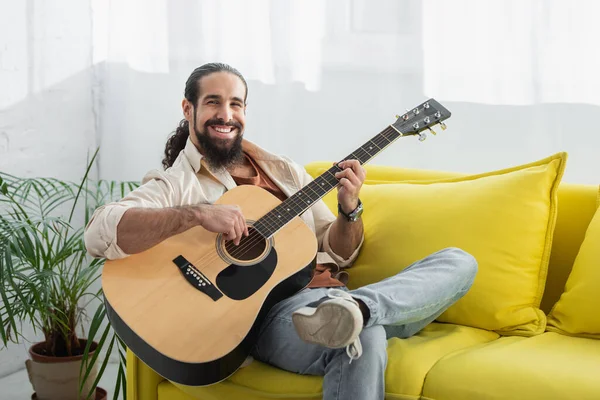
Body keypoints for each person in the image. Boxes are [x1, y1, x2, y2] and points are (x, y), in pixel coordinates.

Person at [84, 62, 477, 400]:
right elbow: (100, 232)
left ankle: (357, 309)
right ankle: (355, 315)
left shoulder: (284, 171)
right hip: (267, 315)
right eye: (213, 102)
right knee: (364, 339)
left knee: (459, 262)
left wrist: (349, 209)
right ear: (189, 109)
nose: (226, 114)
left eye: (235, 103)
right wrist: (197, 215)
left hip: (331, 296)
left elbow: (338, 252)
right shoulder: (178, 183)